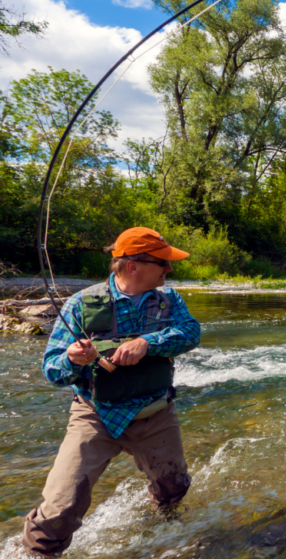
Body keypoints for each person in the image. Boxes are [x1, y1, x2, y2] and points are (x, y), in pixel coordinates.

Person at [22, 227, 201, 556]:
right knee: (60, 508)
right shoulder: (80, 304)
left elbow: (191, 333)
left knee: (173, 488)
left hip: (155, 412)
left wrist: (148, 342)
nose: (169, 268)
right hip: (95, 415)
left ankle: (165, 533)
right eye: (163, 262)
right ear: (133, 266)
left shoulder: (170, 300)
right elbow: (52, 371)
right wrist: (72, 359)